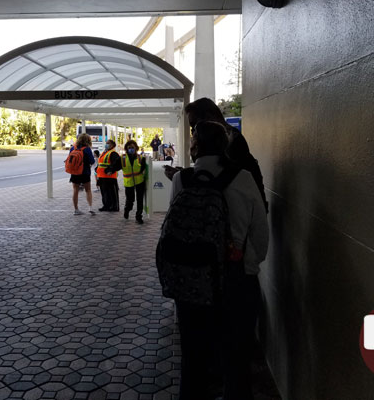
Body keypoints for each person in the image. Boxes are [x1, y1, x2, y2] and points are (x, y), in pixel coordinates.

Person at [169, 120, 269, 400]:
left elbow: (175, 231)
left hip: (192, 283)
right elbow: (260, 232)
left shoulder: (182, 179)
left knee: (193, 362)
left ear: (196, 146)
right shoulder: (244, 178)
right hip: (235, 281)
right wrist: (246, 268)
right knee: (236, 363)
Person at [164, 97, 269, 212]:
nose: (193, 131)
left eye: (195, 125)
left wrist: (183, 178)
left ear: (209, 117)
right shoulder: (230, 138)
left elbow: (222, 181)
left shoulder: (232, 141)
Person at [114, 140, 146, 224]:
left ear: (136, 148)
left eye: (132, 147)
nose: (131, 149)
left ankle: (139, 216)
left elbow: (143, 169)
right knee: (130, 200)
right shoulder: (122, 158)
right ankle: (127, 209)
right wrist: (109, 170)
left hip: (139, 182)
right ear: (126, 149)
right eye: (129, 148)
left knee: (140, 200)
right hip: (128, 183)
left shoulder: (141, 158)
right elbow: (115, 166)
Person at [68, 133, 96, 215]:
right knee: (88, 190)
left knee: (75, 190)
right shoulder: (87, 149)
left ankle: (76, 209)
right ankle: (90, 207)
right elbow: (92, 161)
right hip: (85, 172)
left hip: (74, 172)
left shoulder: (73, 148)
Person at [97, 139, 120, 212]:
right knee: (104, 192)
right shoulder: (104, 152)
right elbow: (101, 163)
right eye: (106, 143)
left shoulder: (113, 153)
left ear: (112, 145)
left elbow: (117, 164)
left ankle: (114, 206)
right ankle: (106, 205)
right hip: (102, 176)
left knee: (112, 192)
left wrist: (111, 170)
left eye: (108, 143)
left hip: (110, 176)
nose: (106, 145)